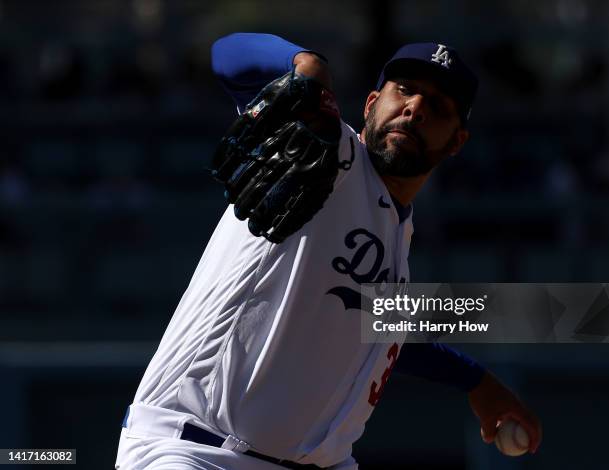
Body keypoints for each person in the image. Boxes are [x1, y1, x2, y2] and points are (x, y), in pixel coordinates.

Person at [115, 33, 542, 470]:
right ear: (372, 103)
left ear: (456, 141)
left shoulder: (399, 230)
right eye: (405, 90)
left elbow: (383, 332)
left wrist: (476, 380)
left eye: (438, 105)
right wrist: (304, 63)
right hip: (198, 450)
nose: (416, 108)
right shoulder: (327, 152)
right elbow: (226, 54)